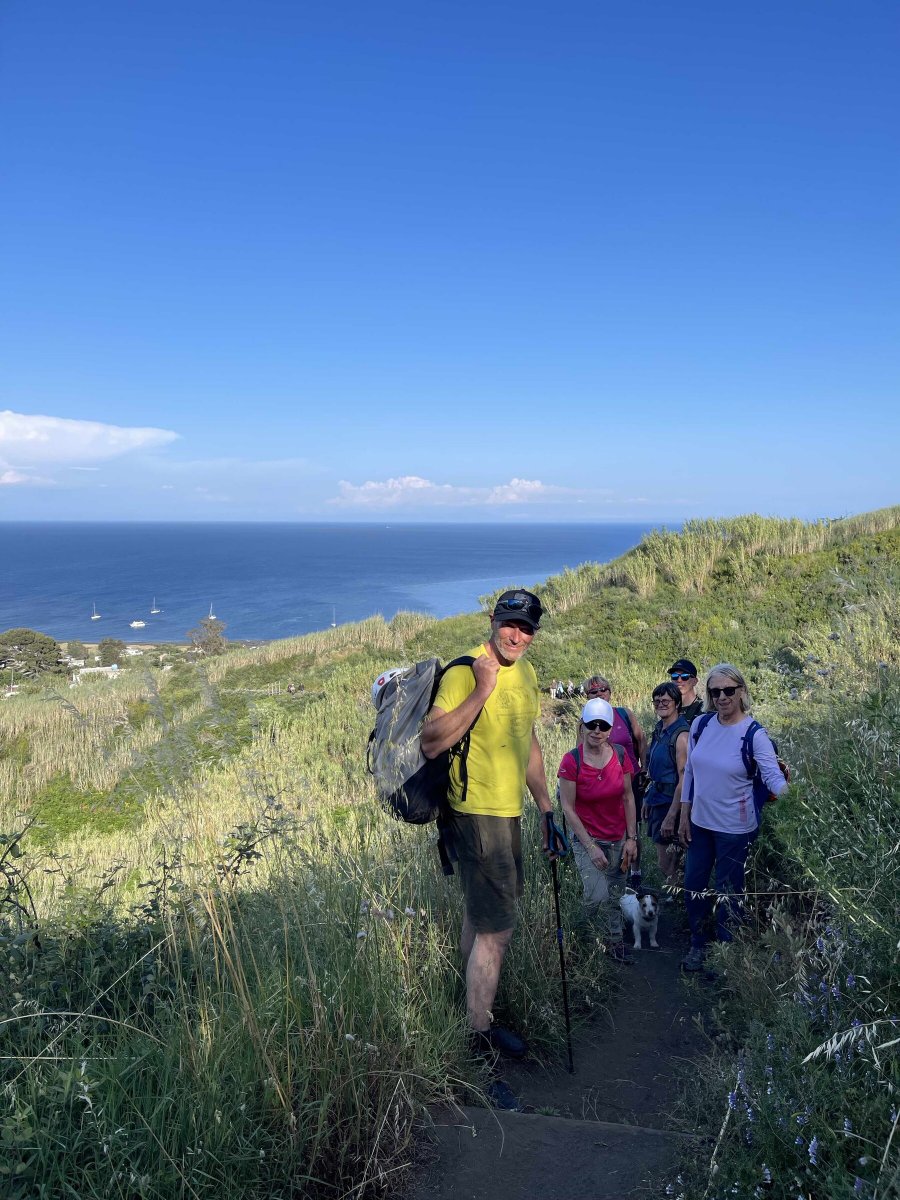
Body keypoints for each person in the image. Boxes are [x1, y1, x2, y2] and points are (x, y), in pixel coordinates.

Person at [421, 588, 552, 1109]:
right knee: (498, 931)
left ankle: (475, 1021)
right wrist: (480, 690)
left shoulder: (528, 675)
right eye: (510, 624)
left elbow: (528, 741)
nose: (517, 635)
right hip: (475, 816)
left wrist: (545, 807)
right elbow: (432, 740)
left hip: (510, 813)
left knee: (480, 923)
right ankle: (477, 1047)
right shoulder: (465, 673)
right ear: (493, 620)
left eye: (527, 628)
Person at [677, 664, 789, 972]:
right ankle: (699, 945)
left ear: (741, 691)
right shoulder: (701, 725)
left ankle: (725, 956)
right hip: (700, 824)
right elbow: (691, 775)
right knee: (693, 886)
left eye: (729, 690)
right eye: (716, 692)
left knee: (729, 892)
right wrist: (685, 814)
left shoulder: (754, 734)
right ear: (710, 695)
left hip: (735, 829)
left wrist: (795, 795)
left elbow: (772, 776)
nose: (723, 697)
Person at [557, 698, 639, 963]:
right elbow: (568, 808)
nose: (597, 730)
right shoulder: (572, 761)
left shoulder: (621, 756)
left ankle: (614, 941)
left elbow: (628, 798)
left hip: (618, 837)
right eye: (591, 724)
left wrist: (632, 838)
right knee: (596, 894)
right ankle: (580, 938)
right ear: (582, 725)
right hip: (587, 837)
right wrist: (590, 847)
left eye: (603, 725)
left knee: (615, 893)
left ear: (610, 728)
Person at [584, 675, 646, 888]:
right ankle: (615, 873)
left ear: (610, 692)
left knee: (633, 827)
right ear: (587, 697)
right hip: (602, 786)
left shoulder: (624, 714)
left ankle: (635, 871)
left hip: (631, 779)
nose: (599, 693)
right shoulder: (584, 723)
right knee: (612, 828)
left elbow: (640, 739)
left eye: (603, 689)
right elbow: (579, 754)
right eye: (593, 692)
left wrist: (644, 768)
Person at [643, 682, 690, 898]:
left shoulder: (681, 736)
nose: (661, 704)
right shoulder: (659, 730)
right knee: (667, 859)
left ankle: (679, 900)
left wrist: (672, 817)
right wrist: (647, 797)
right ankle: (678, 896)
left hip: (672, 802)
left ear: (677, 704)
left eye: (666, 701)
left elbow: (684, 780)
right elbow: (653, 768)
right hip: (657, 797)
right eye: (657, 700)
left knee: (668, 861)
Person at [669, 659, 704, 724]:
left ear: (695, 681)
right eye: (674, 676)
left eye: (685, 676)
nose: (679, 680)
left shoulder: (704, 709)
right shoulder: (668, 708)